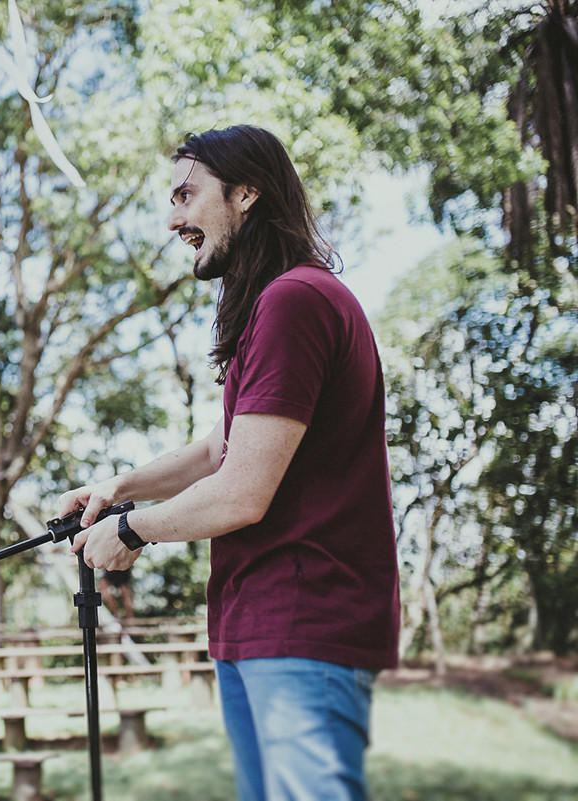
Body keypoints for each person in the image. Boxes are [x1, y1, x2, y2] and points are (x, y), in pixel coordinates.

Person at [60, 125, 399, 801]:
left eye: (188, 195)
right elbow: (222, 447)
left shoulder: (294, 300)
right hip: (259, 618)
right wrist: (117, 485)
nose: (173, 218)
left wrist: (130, 530)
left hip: (304, 614)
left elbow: (242, 490)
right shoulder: (274, 308)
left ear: (247, 193)